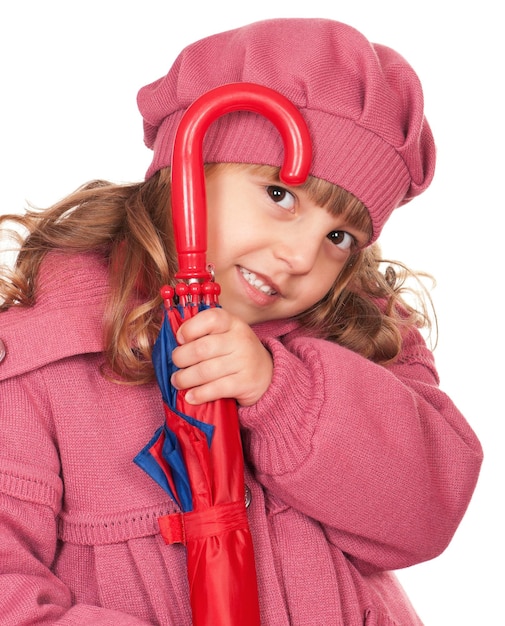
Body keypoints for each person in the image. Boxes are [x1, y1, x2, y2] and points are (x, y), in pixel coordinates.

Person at [0, 17, 482, 625]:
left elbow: (426, 512)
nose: (301, 258)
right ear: (186, 174)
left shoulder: (362, 339)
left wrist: (282, 394)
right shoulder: (47, 357)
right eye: (280, 196)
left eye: (339, 236)